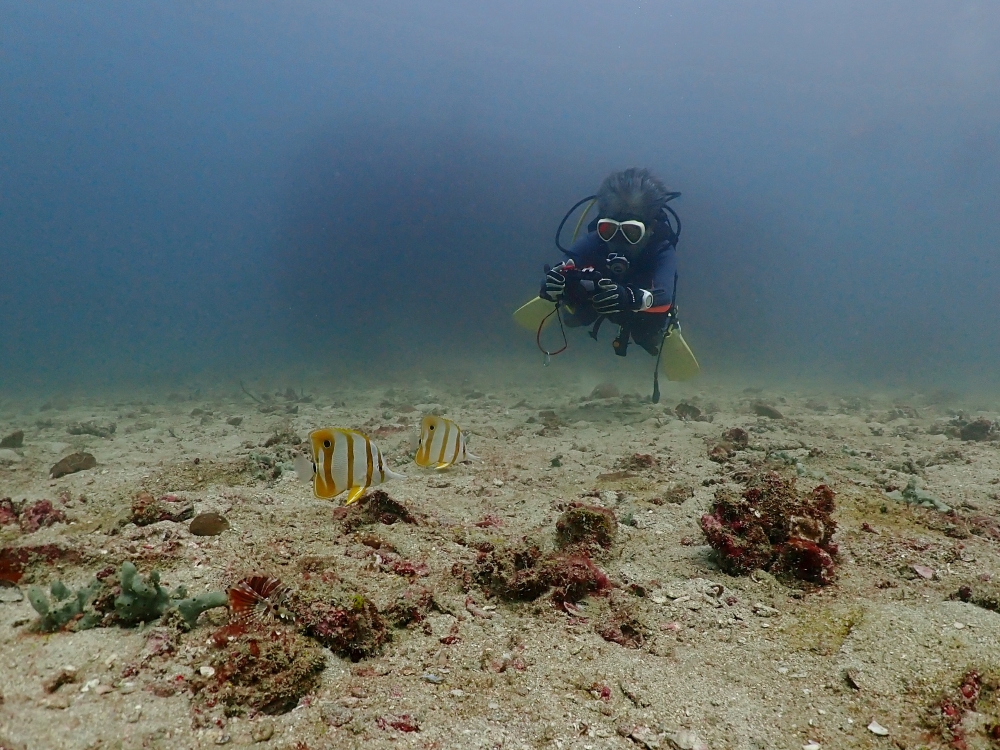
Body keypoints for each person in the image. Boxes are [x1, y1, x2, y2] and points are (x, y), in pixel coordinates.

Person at [539, 167, 680, 357]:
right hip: (599, 295)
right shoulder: (594, 240)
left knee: (648, 336)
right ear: (600, 226)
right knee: (572, 316)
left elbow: (664, 296)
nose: (618, 240)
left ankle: (665, 327)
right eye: (609, 230)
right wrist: (553, 284)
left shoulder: (661, 248)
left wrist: (630, 298)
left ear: (650, 228)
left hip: (640, 303)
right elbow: (563, 267)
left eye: (631, 232)